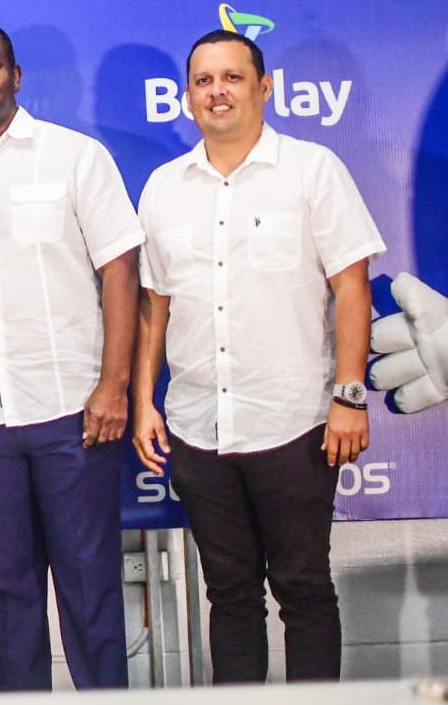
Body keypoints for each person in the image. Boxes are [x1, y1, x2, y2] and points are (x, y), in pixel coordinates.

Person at [132, 30, 383, 683]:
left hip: (295, 422)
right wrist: (141, 403)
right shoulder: (162, 188)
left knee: (302, 589)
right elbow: (152, 306)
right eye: (203, 81)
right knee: (229, 595)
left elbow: (350, 286)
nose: (216, 91)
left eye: (231, 77)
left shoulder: (311, 169)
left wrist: (348, 395)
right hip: (196, 426)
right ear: (186, 97)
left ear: (263, 87)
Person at [0, 19, 142, 691]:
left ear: (15, 75)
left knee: (90, 585)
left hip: (71, 409)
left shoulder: (74, 157)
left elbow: (119, 272)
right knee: (5, 593)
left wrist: (113, 385)